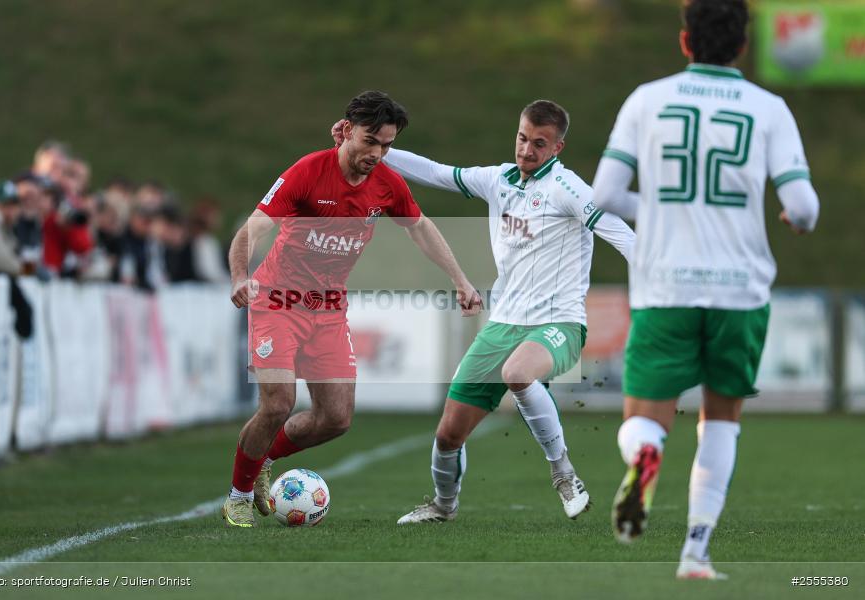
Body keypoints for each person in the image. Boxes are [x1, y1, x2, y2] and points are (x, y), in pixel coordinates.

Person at [591, 0, 820, 580]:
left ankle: (646, 456)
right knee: (721, 419)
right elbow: (803, 208)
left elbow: (605, 195)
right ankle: (695, 552)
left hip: (665, 281)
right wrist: (796, 221)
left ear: (685, 42)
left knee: (645, 417)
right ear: (742, 46)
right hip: (740, 288)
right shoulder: (769, 108)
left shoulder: (647, 99)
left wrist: (668, 210)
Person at [332, 100, 635, 524]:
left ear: (558, 148)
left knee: (518, 373)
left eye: (539, 144)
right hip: (502, 325)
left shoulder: (569, 190)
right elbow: (436, 171)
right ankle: (443, 506)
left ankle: (564, 473)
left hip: (559, 323)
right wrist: (373, 150)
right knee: (448, 435)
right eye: (522, 138)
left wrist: (659, 282)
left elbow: (620, 233)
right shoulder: (499, 180)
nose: (527, 150)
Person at [222, 90, 482, 528]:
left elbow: (421, 229)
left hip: (328, 310)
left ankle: (265, 457)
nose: (377, 154)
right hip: (277, 303)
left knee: (336, 419)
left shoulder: (387, 184)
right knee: (278, 403)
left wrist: (460, 279)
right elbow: (256, 226)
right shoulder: (308, 172)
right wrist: (238, 276)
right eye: (370, 141)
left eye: (387, 145)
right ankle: (238, 495)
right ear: (345, 132)